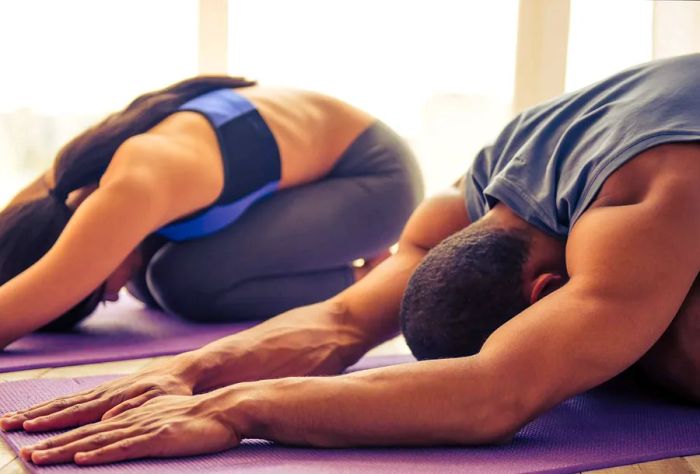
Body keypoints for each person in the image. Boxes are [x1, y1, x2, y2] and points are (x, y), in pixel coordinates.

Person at [3, 54, 698, 467]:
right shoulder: (472, 190)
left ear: (547, 292)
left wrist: (241, 409)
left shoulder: (644, 200)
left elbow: (495, 395)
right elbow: (339, 321)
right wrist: (187, 371)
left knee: (673, 341)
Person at [0, 76, 424, 344]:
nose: (111, 295)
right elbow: (17, 226)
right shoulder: (70, 177)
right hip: (311, 170)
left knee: (183, 282)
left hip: (374, 179)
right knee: (146, 282)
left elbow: (12, 313)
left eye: (97, 295)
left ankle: (369, 279)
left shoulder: (137, 181)